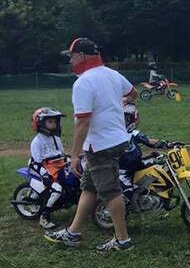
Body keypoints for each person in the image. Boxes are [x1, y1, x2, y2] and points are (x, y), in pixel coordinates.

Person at [46, 38, 137, 253]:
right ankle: (73, 233)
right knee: (89, 187)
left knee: (111, 191)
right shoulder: (112, 74)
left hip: (101, 145)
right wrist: (119, 103)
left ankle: (123, 241)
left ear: (82, 56)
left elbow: (83, 122)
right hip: (117, 139)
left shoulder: (83, 82)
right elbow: (133, 94)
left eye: (72, 55)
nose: (70, 60)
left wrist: (75, 155)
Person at [118, 103, 180, 205]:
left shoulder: (133, 134)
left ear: (134, 119)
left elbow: (150, 141)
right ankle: (127, 209)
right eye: (121, 119)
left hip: (138, 165)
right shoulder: (114, 135)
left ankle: (160, 196)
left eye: (126, 119)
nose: (123, 122)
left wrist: (168, 144)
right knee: (128, 195)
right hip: (123, 172)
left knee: (161, 168)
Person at [28, 108, 78, 229]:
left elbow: (61, 155)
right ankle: (44, 216)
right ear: (39, 123)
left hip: (59, 164)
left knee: (77, 176)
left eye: (55, 122)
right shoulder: (37, 142)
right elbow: (36, 163)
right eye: (50, 122)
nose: (54, 124)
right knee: (57, 188)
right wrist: (45, 175)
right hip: (46, 167)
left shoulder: (56, 139)